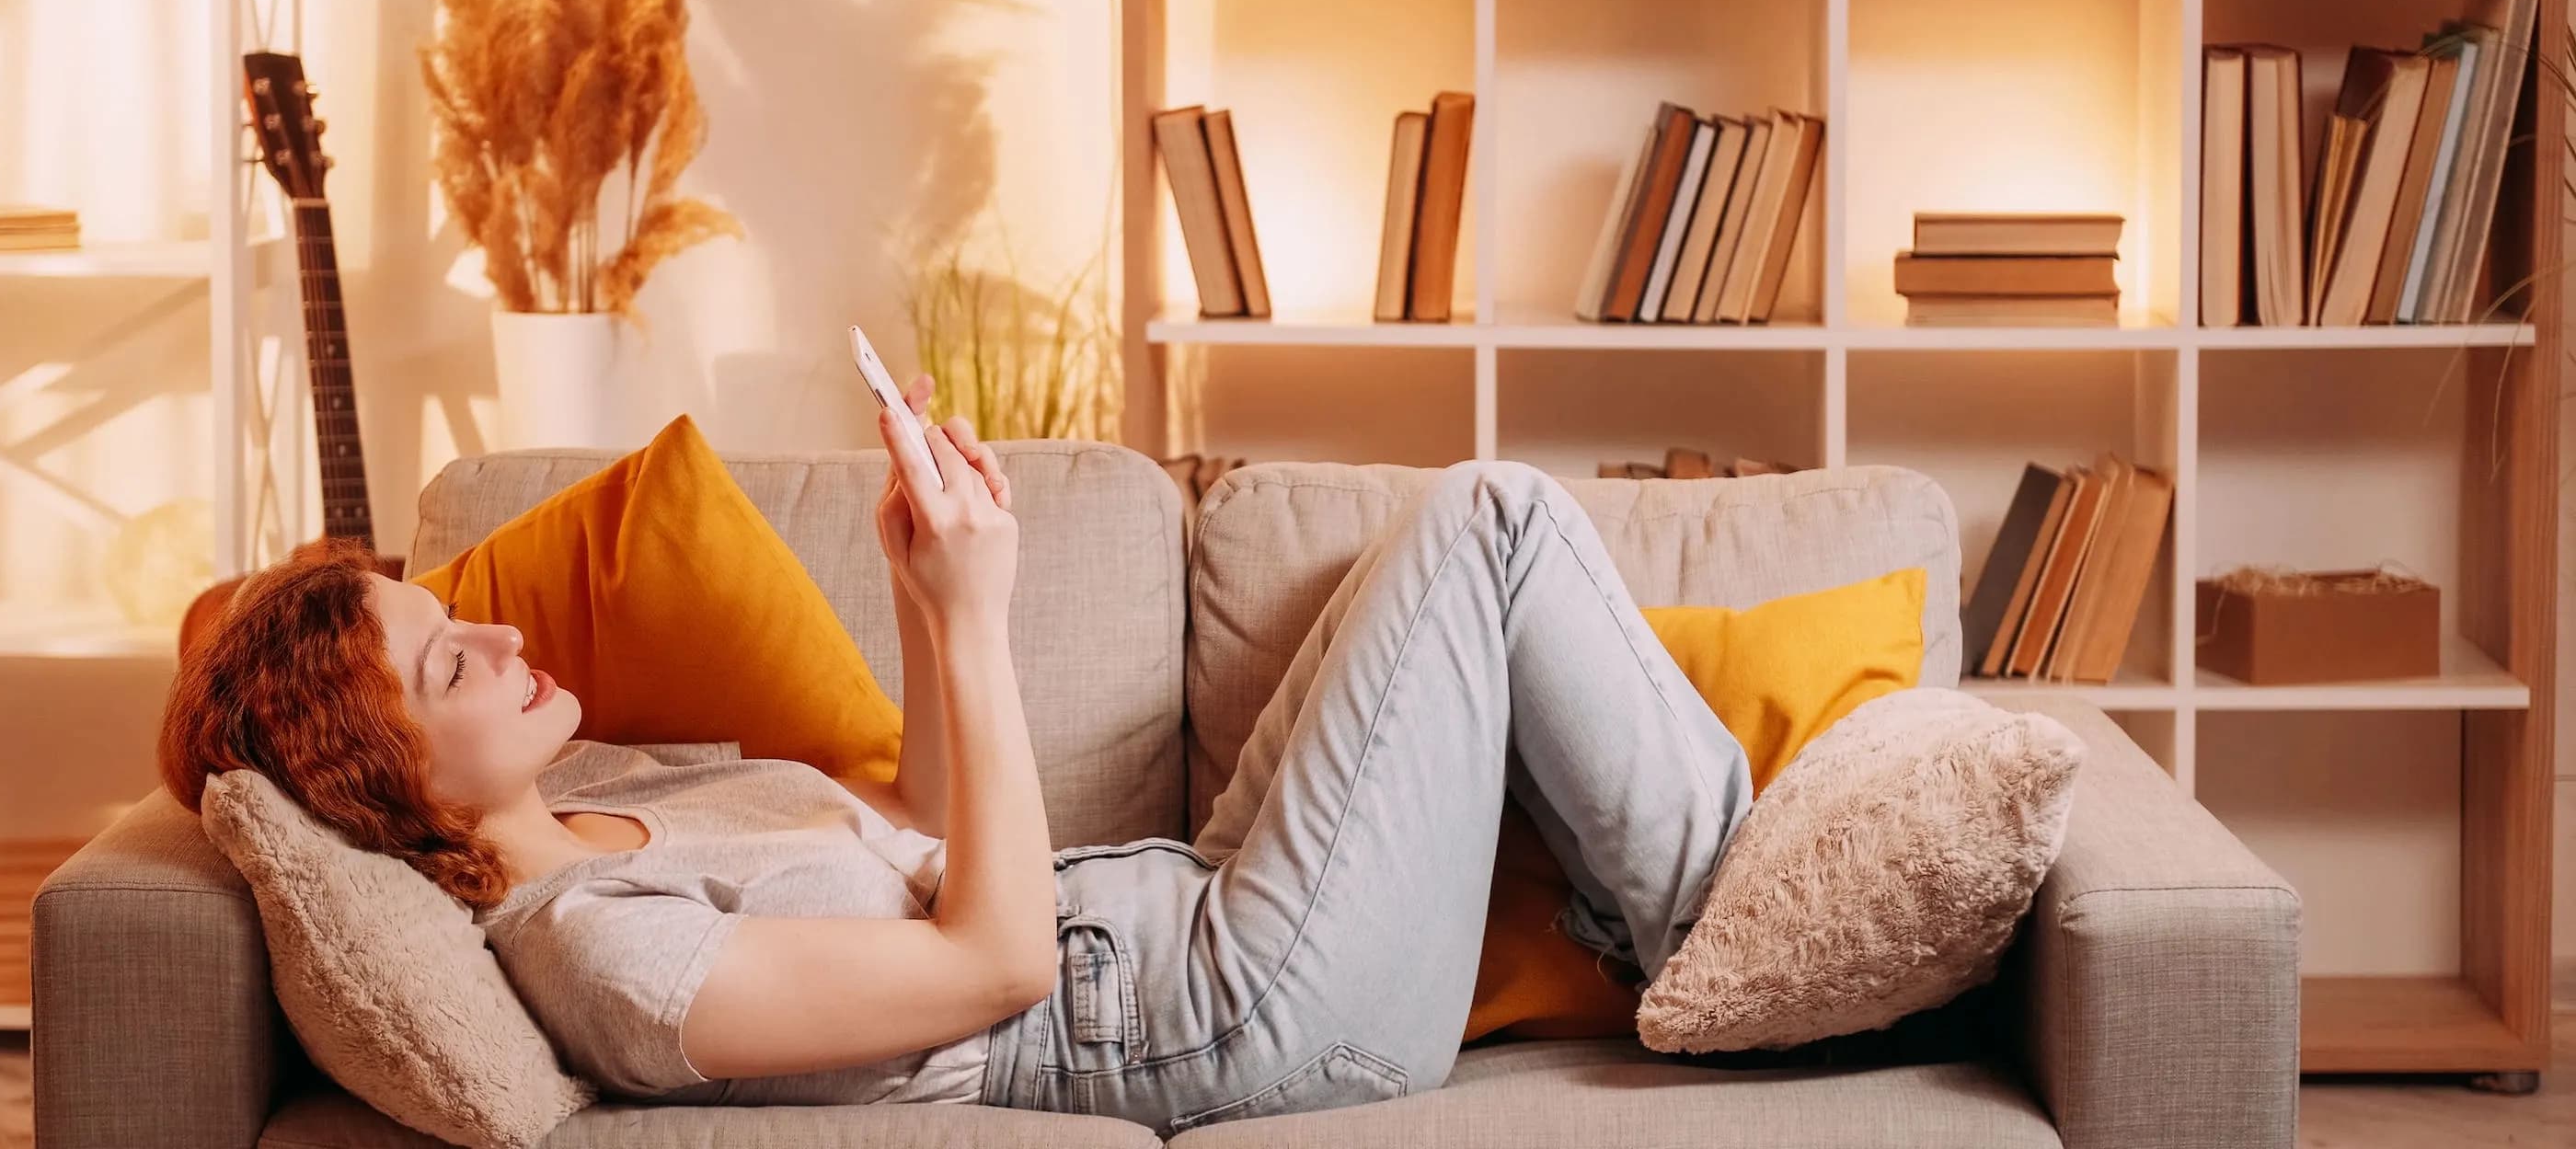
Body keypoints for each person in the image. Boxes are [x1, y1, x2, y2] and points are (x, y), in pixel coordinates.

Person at [159, 372, 1751, 1135]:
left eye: (459, 614)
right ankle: (1734, 950)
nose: (502, 639)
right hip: (1230, 1018)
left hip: (1190, 911)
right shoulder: (605, 962)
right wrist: (985, 619)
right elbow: (992, 962)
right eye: (451, 660)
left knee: (1429, 543)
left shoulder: (607, 802)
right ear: (395, 791)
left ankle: (1699, 915)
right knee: (1495, 520)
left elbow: (916, 828)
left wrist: (924, 579)